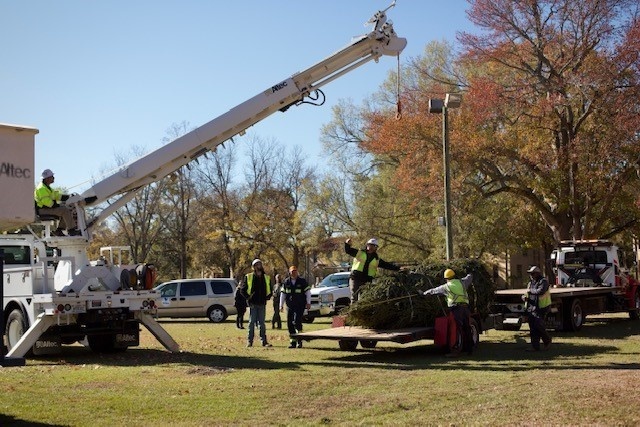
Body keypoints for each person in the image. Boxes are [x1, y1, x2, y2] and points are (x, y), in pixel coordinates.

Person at [423, 269, 474, 357]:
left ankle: (455, 350)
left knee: (456, 329)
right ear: (454, 276)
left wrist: (423, 293)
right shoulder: (462, 282)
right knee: (467, 328)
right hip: (466, 308)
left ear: (446, 278)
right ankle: (470, 350)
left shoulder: (446, 287)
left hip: (456, 310)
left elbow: (434, 291)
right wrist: (470, 272)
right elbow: (469, 278)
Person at [344, 237, 400, 303]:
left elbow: (387, 265)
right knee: (354, 297)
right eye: (369, 245)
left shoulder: (377, 259)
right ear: (367, 245)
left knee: (364, 298)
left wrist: (398, 268)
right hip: (355, 278)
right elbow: (348, 250)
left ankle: (361, 312)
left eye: (373, 246)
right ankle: (353, 312)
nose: (370, 247)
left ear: (376, 247)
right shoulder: (359, 253)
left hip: (367, 280)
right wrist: (347, 244)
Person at [34, 169, 81, 236]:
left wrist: (68, 197)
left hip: (47, 208)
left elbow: (57, 196)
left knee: (67, 208)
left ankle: (59, 230)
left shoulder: (47, 188)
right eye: (52, 176)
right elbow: (47, 202)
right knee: (64, 210)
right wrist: (58, 205)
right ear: (47, 178)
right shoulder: (41, 188)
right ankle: (71, 230)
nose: (54, 178)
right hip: (43, 210)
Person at [240, 259, 272, 347]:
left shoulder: (266, 277)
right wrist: (248, 297)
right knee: (251, 323)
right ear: (254, 267)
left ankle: (264, 341)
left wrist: (267, 297)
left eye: (260, 264)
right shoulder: (248, 276)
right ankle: (249, 341)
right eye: (257, 264)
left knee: (262, 323)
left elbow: (270, 289)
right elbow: (242, 290)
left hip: (262, 303)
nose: (259, 266)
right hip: (253, 304)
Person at [280, 265, 311, 348]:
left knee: (297, 322)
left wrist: (308, 302)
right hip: (290, 306)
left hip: (299, 305)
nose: (294, 273)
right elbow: (283, 294)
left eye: (295, 271)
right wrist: (281, 305)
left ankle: (299, 340)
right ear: (289, 273)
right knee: (289, 323)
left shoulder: (302, 281)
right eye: (292, 272)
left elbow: (308, 292)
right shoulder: (286, 282)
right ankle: (293, 342)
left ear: (297, 272)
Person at [523, 266, 552, 351]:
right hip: (532, 308)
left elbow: (540, 291)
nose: (531, 275)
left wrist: (530, 291)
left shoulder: (543, 281)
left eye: (532, 273)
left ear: (537, 273)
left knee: (539, 325)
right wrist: (523, 297)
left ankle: (547, 340)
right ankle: (535, 346)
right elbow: (526, 294)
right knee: (533, 328)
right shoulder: (530, 283)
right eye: (530, 274)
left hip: (542, 307)